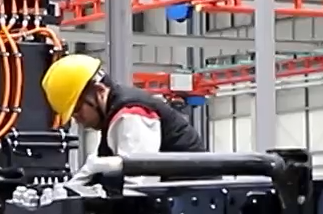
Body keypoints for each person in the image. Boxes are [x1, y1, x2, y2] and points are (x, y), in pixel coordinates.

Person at [41, 54, 205, 164]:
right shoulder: (114, 116)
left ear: (99, 91)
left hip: (187, 198)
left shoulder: (131, 115)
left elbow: (138, 182)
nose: (79, 120)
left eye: (77, 109)